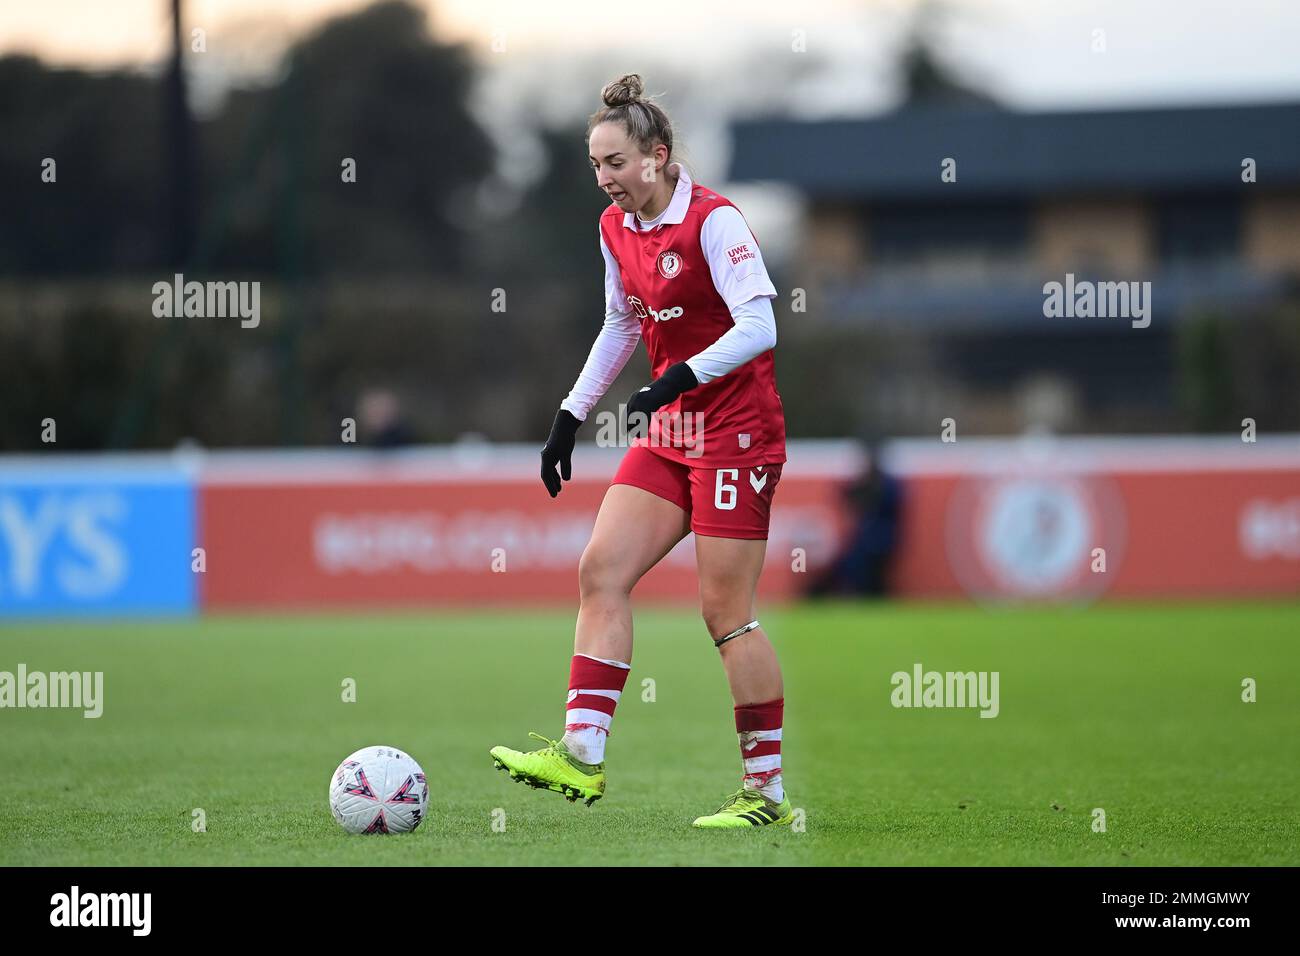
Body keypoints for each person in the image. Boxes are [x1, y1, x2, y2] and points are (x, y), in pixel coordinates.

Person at [489, 73, 791, 828]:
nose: (605, 179)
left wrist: (679, 377)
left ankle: (767, 796)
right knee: (601, 568)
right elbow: (621, 325)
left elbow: (761, 326)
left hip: (736, 434)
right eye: (596, 164)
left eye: (616, 162)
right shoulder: (613, 228)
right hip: (673, 430)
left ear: (656, 156)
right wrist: (570, 415)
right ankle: (581, 756)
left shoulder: (717, 222)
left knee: (725, 612)